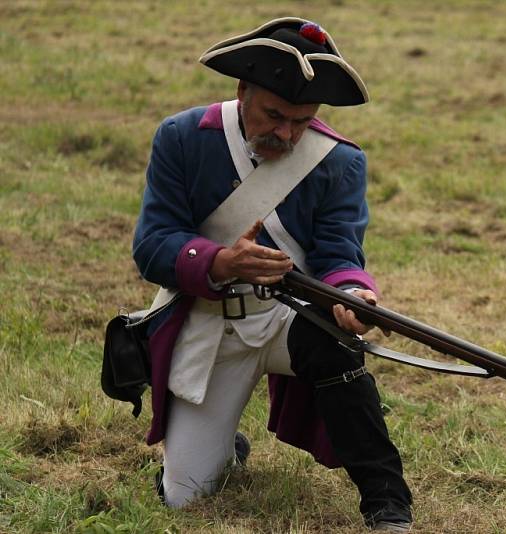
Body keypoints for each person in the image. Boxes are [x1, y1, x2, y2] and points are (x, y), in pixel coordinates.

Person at [131, 18, 412, 532]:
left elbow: (339, 253)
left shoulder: (340, 162)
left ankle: (386, 499)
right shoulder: (182, 137)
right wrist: (220, 263)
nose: (285, 133)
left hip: (289, 320)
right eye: (274, 115)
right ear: (242, 91)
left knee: (336, 343)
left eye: (301, 121)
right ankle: (223, 447)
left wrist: (353, 294)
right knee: (184, 500)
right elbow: (151, 246)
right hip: (212, 325)